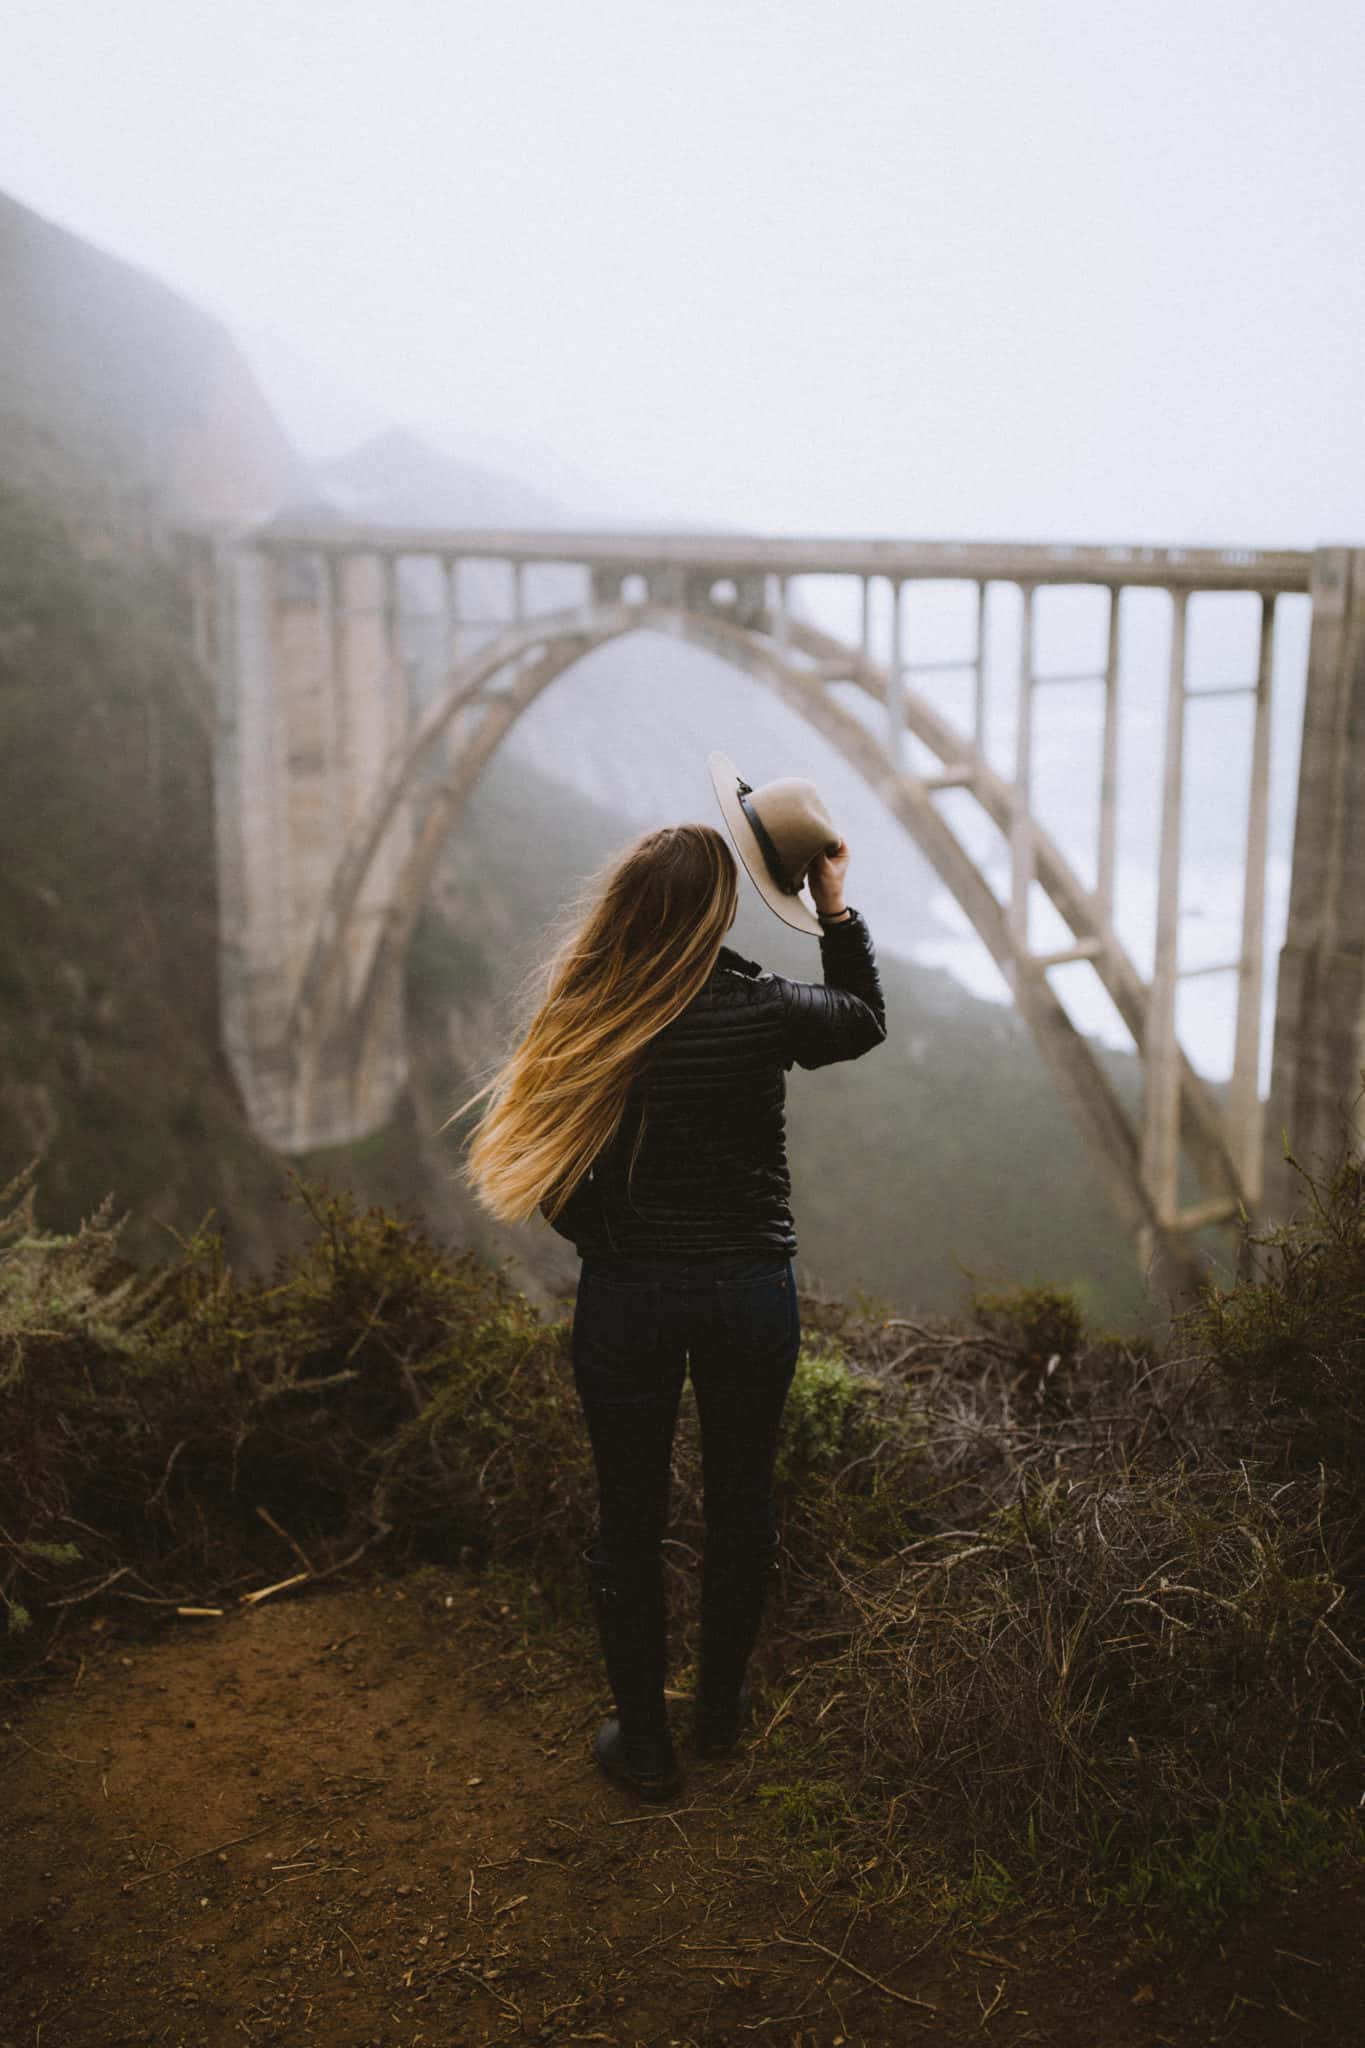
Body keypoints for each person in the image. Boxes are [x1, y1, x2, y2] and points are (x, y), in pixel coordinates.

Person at [460, 758, 885, 1799]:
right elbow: (863, 1016)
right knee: (742, 1505)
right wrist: (836, 907)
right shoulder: (763, 1007)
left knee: (628, 1517)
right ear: (716, 913)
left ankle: (644, 1746)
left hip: (630, 1299)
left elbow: (553, 1171)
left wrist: (616, 1238)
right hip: (749, 1290)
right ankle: (723, 1715)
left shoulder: (589, 1011)